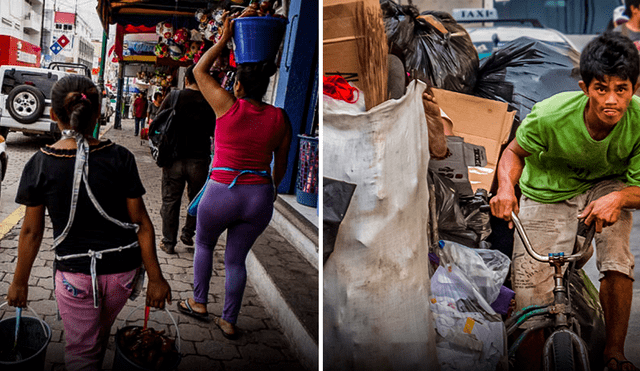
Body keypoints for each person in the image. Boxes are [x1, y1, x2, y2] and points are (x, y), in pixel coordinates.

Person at [490, 32, 640, 371]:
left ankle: (614, 353)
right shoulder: (549, 115)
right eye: (601, 89)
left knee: (617, 255)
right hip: (548, 189)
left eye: (622, 89)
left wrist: (619, 197)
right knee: (529, 284)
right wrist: (505, 190)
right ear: (585, 88)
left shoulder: (639, 122)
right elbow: (513, 153)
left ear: (635, 87)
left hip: (606, 186)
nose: (611, 101)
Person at [6, 75, 172, 371]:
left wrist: (19, 282)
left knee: (81, 351)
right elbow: (143, 224)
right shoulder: (120, 157)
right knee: (99, 333)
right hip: (122, 274)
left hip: (75, 279)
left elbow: (31, 231)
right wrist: (157, 279)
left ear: (53, 114)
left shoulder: (40, 163)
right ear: (98, 113)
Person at [177, 13, 292, 340]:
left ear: (238, 85)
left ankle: (199, 303)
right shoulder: (280, 118)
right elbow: (280, 165)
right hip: (257, 196)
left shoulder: (227, 105)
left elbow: (199, 71)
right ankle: (229, 321)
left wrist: (223, 38)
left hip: (221, 192)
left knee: (203, 244)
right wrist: (272, 192)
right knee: (236, 261)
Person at [157, 64, 215, 254]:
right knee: (196, 199)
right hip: (199, 160)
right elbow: (215, 131)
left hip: (173, 159)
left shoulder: (174, 97)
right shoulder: (211, 101)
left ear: (186, 79)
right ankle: (188, 233)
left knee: (170, 200)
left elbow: (158, 122)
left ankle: (168, 242)